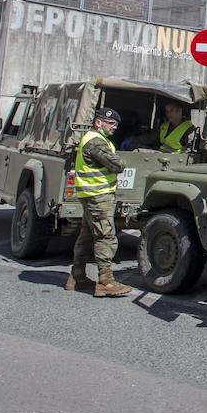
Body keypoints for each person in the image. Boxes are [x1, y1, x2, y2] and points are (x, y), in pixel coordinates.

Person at [64, 107, 133, 298]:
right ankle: (106, 281)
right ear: (98, 122)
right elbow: (117, 164)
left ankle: (77, 277)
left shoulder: (97, 139)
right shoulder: (95, 142)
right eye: (111, 123)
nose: (114, 127)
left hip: (93, 195)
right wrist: (122, 161)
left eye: (116, 125)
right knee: (105, 236)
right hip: (98, 196)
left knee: (87, 235)